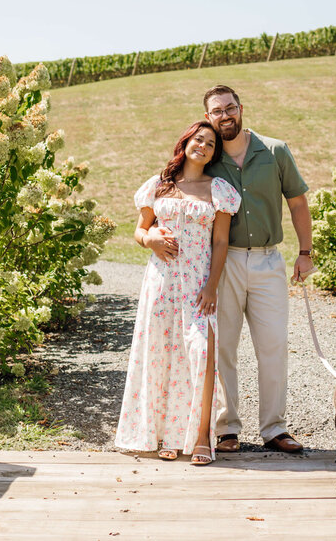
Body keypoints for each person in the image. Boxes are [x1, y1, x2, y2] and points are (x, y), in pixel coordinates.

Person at [115, 120, 241, 465]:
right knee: (159, 354)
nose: (203, 146)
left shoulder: (219, 190)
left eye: (211, 144)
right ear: (185, 142)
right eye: (198, 139)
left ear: (214, 153)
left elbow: (220, 241)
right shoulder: (159, 185)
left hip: (199, 286)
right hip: (161, 283)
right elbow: (139, 232)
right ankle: (165, 435)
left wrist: (212, 285)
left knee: (200, 355)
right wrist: (150, 239)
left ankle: (201, 437)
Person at [201, 85, 312, 454]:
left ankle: (274, 428)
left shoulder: (275, 150)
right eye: (217, 111)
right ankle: (226, 427)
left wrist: (305, 252)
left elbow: (297, 203)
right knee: (223, 348)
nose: (225, 115)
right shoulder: (207, 157)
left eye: (230, 108)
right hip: (224, 261)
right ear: (208, 117)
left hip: (268, 260)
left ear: (241, 109)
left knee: (274, 345)